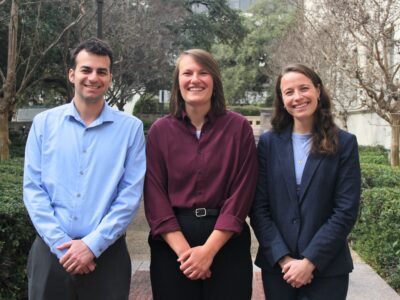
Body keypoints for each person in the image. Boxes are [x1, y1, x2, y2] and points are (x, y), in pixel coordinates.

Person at [23, 37, 146, 300]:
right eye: (86, 69)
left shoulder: (130, 129)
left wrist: (92, 245)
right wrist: (62, 246)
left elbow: (129, 195)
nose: (93, 77)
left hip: (107, 256)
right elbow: (33, 190)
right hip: (50, 253)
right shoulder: (43, 124)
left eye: (101, 71)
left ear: (110, 77)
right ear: (71, 74)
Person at [144, 49, 258, 300]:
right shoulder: (160, 132)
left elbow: (242, 193)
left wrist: (208, 251)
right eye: (187, 73)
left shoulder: (238, 129)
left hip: (226, 241)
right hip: (172, 244)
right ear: (178, 82)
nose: (195, 79)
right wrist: (187, 255)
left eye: (203, 73)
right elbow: (155, 196)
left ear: (215, 81)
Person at [250, 63, 361, 300]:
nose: (297, 97)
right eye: (289, 92)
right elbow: (258, 208)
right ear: (282, 99)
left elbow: (346, 209)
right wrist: (284, 258)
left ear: (318, 90)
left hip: (328, 269)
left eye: (304, 88)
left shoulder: (345, 144)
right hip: (279, 270)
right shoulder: (269, 144)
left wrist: (310, 261)